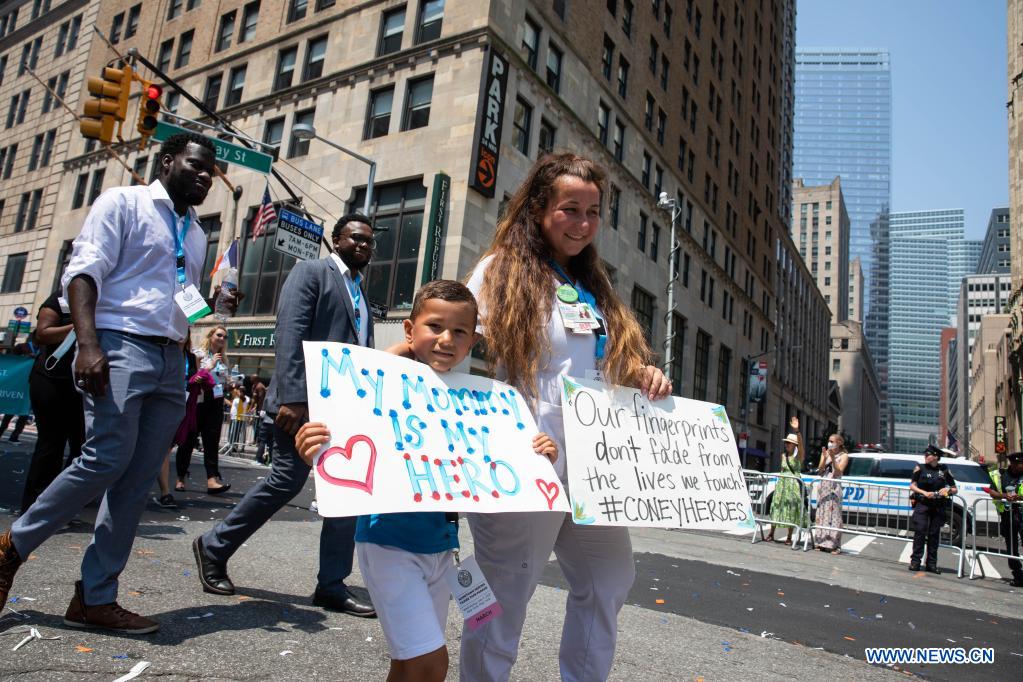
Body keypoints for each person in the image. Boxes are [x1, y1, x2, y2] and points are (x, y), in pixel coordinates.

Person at [0, 132, 238, 632]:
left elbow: (180, 296)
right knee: (105, 457)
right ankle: (12, 545)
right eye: (195, 165)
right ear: (167, 161)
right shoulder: (123, 202)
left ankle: (95, 596)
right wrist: (88, 345)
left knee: (134, 483)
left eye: (209, 172)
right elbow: (83, 275)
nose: (203, 176)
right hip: (119, 343)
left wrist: (212, 306)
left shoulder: (194, 232)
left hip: (171, 357)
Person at [460, 153, 672, 681]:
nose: (582, 223)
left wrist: (642, 374)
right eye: (570, 209)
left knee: (608, 580)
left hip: (592, 468)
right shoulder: (499, 271)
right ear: (537, 209)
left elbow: (607, 363)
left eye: (593, 212)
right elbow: (465, 361)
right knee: (504, 594)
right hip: (523, 458)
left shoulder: (594, 286)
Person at [295, 280, 559, 682]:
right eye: (434, 327)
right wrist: (312, 442)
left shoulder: (480, 402)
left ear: (473, 340)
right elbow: (350, 404)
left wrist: (536, 453)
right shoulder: (380, 385)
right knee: (432, 664)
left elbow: (501, 457)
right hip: (389, 545)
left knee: (407, 664)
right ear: (409, 329)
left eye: (460, 332)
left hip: (441, 550)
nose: (446, 340)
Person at [192, 213, 377, 618]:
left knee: (346, 496)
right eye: (355, 238)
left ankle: (331, 585)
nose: (363, 245)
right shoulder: (312, 272)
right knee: (285, 482)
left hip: (345, 410)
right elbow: (290, 332)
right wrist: (293, 397)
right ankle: (213, 546)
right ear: (337, 239)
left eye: (369, 241)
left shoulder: (362, 293)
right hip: (304, 406)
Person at [19, 292, 85, 511]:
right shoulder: (62, 299)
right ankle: (34, 506)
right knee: (51, 445)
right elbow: (42, 334)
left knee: (84, 449)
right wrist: (80, 325)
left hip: (85, 386)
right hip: (52, 380)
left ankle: (58, 502)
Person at [175, 325, 231, 494]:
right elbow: (194, 378)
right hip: (198, 401)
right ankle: (180, 477)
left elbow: (221, 381)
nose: (222, 339)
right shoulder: (198, 354)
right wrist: (210, 366)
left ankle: (212, 480)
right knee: (188, 441)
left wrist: (228, 381)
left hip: (215, 401)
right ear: (211, 336)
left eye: (225, 337)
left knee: (212, 441)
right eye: (219, 335)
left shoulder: (224, 359)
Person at [908, 445, 958, 574]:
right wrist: (923, 492)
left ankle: (931, 564)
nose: (925, 457)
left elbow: (954, 488)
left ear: (936, 456)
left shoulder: (944, 469)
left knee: (934, 535)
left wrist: (948, 490)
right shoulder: (920, 467)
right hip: (923, 504)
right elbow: (912, 485)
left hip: (938, 506)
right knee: (920, 530)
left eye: (927, 455)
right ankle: (915, 562)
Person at [765, 416, 805, 545]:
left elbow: (802, 446)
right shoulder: (783, 455)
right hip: (782, 485)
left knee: (791, 509)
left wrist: (797, 431)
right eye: (786, 442)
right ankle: (771, 533)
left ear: (795, 445)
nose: (786, 444)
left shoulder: (798, 456)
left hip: (793, 486)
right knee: (776, 507)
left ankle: (789, 536)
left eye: (789, 443)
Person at [987, 452, 1023, 587]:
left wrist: (1018, 498)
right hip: (1008, 516)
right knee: (1011, 548)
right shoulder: (1000, 475)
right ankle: (1018, 576)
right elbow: (992, 492)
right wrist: (1003, 495)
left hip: (1022, 514)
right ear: (1014, 464)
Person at [811, 434, 848, 554]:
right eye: (829, 441)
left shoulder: (844, 456)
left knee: (834, 516)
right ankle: (820, 542)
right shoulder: (825, 452)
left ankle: (834, 545)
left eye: (832, 441)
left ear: (839, 443)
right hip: (823, 487)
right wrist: (824, 456)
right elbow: (820, 470)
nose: (830, 443)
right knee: (822, 514)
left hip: (834, 488)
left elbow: (838, 471)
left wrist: (832, 457)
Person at [0, 342, 35, 444]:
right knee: (10, 411)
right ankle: (1, 432)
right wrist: (25, 358)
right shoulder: (22, 346)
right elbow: (12, 359)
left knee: (24, 413)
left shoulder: (43, 350)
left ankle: (14, 436)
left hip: (31, 385)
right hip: (18, 384)